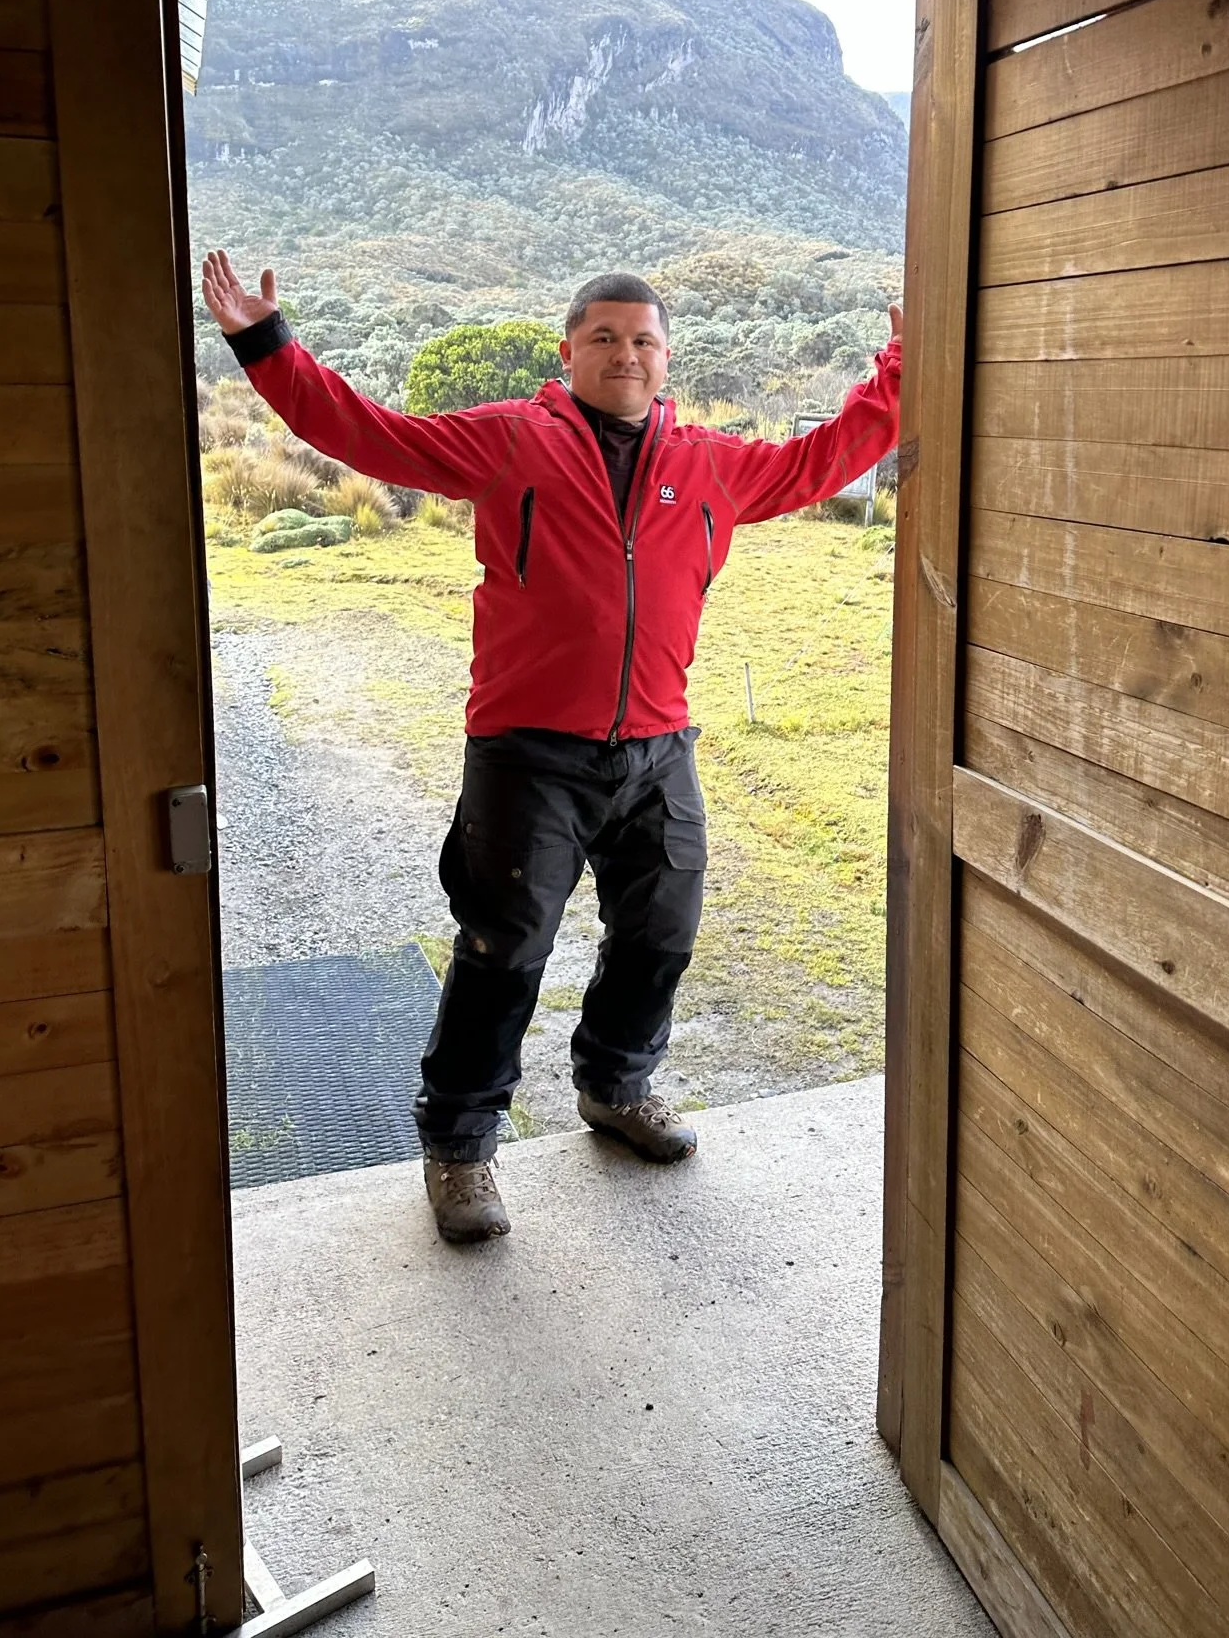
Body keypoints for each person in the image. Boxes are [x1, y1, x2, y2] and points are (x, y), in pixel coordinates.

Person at [202, 249, 901, 1242]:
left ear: (668, 357)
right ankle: (460, 1145)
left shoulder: (711, 462)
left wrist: (903, 368)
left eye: (644, 339)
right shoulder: (510, 440)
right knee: (503, 948)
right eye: (605, 337)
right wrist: (264, 342)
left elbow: (828, 456)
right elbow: (369, 434)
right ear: (569, 350)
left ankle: (617, 1085)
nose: (626, 351)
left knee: (661, 932)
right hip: (526, 750)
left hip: (659, 742)